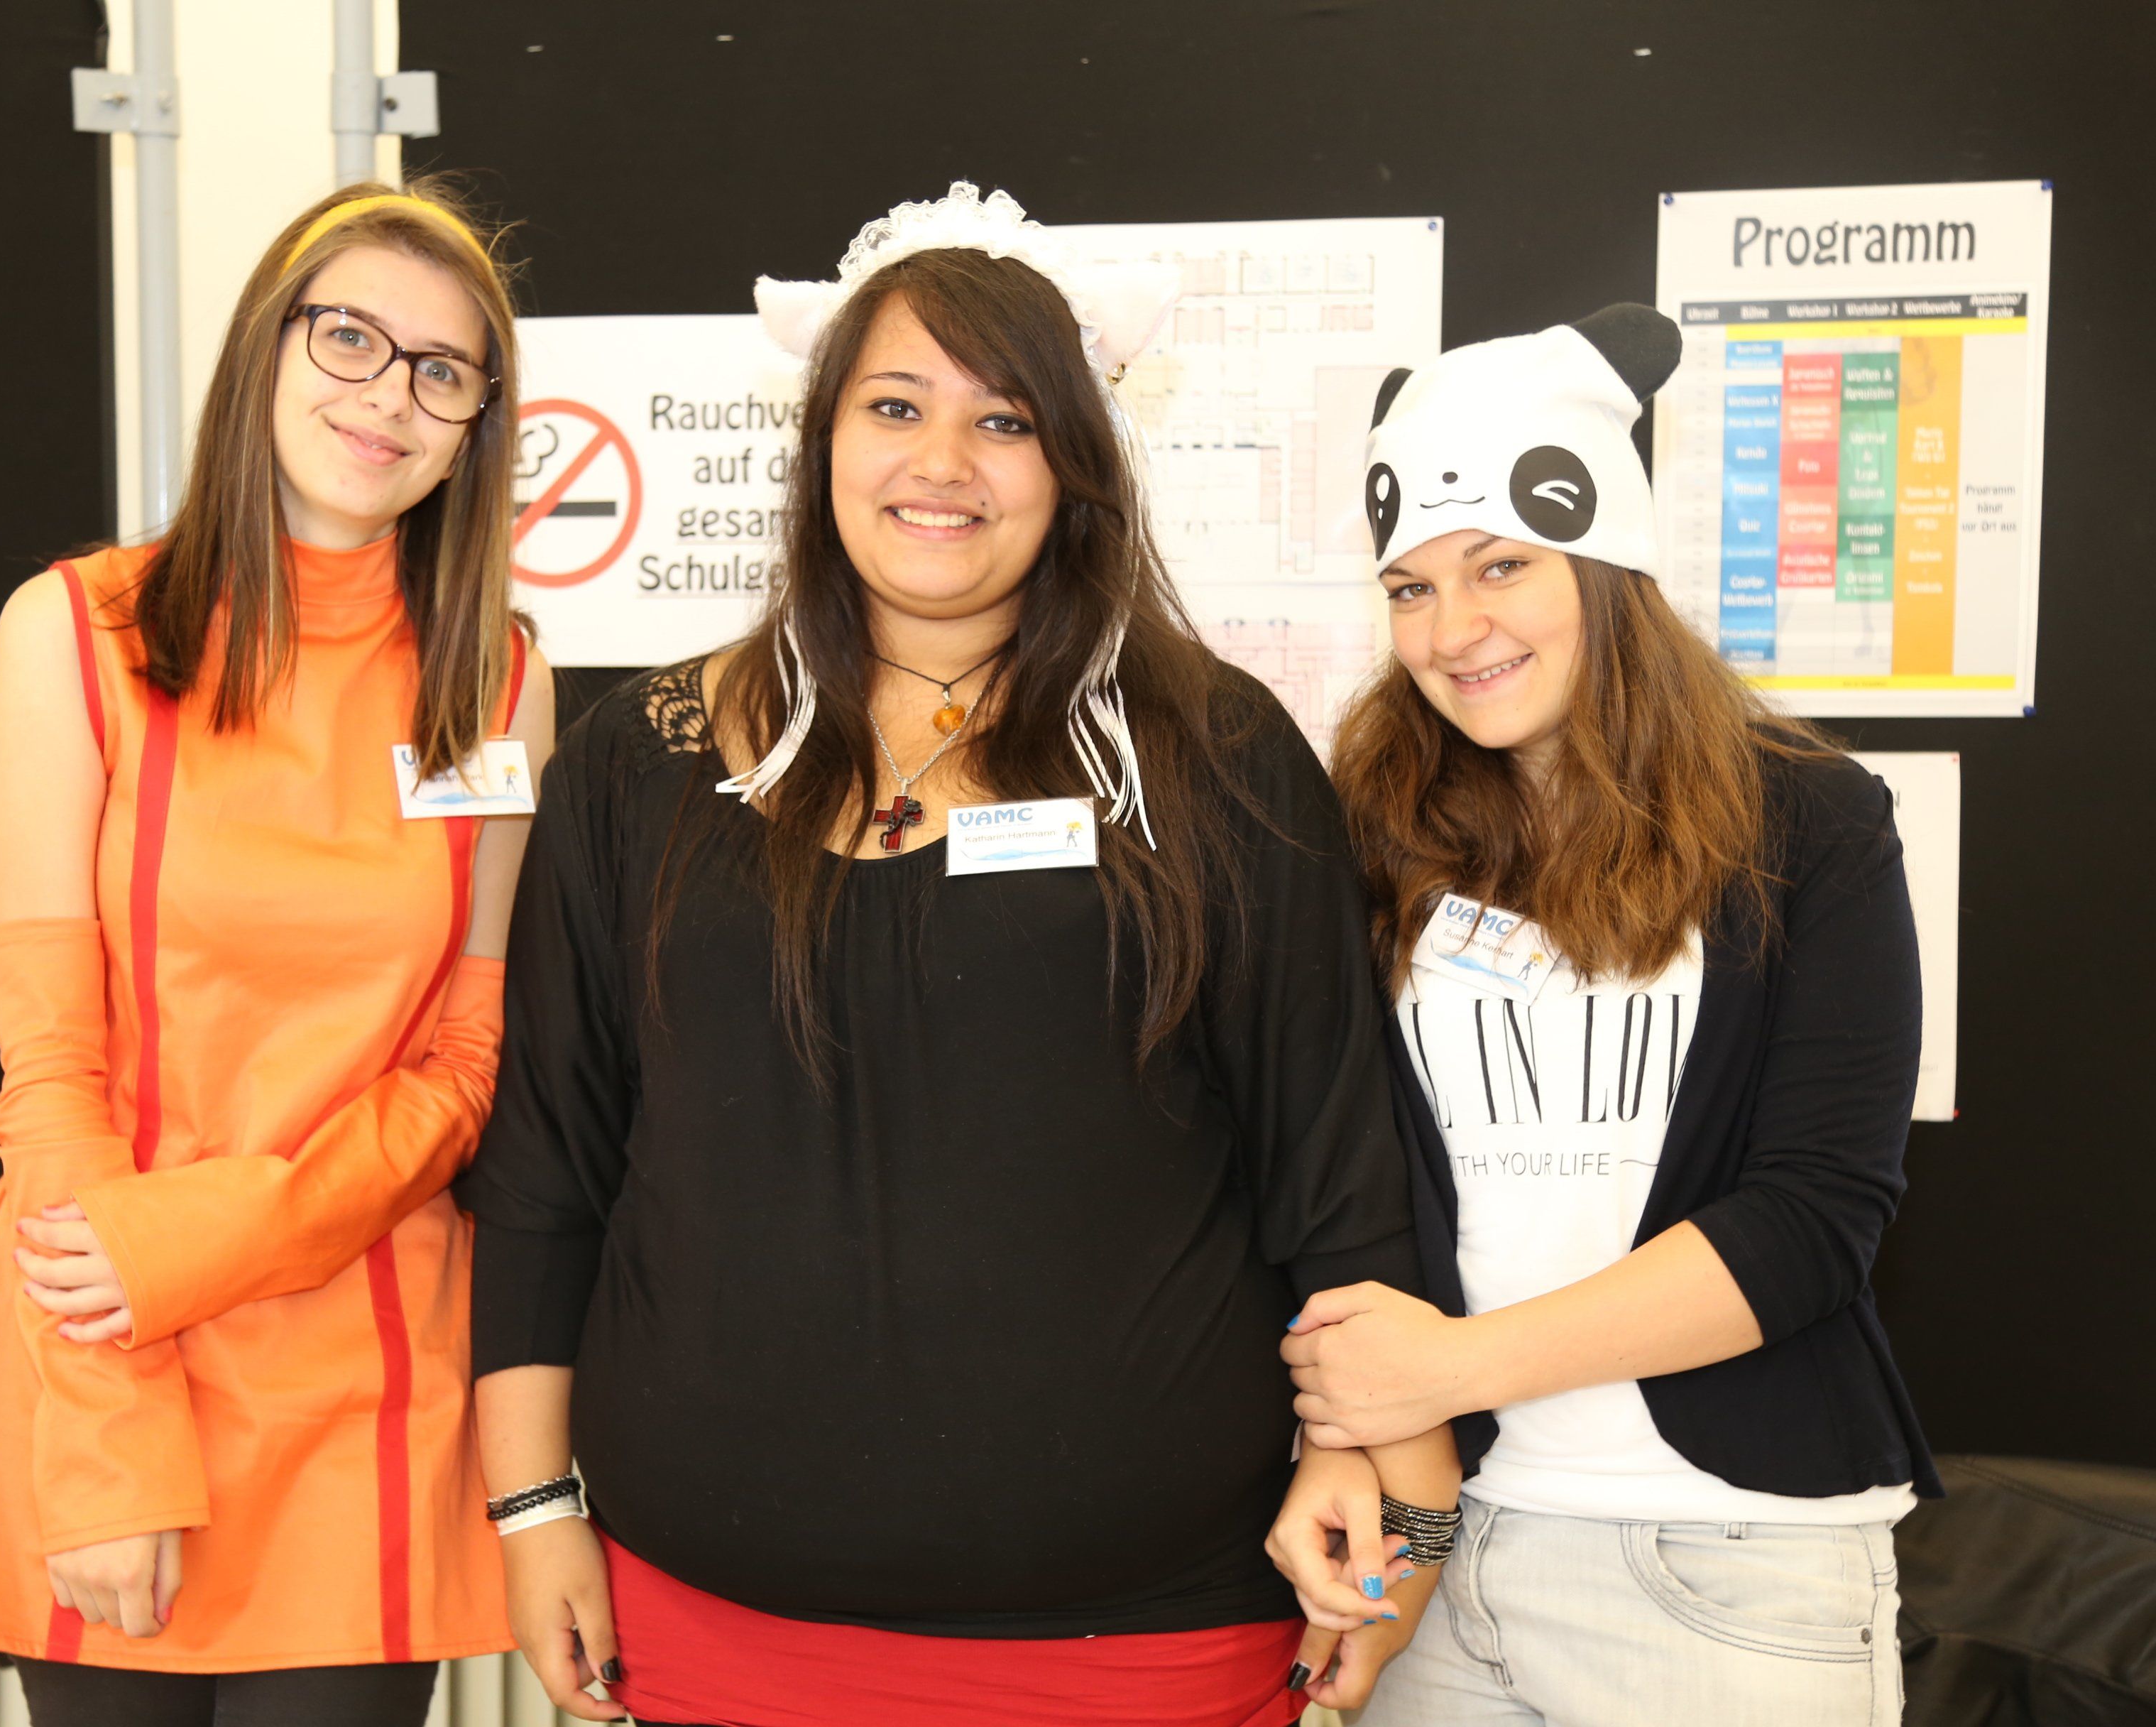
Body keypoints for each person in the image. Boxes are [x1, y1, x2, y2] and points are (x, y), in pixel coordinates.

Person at [461, 182, 1456, 1727]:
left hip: (1146, 1640)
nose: (942, 462)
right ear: (822, 440)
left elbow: (1330, 1165)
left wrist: (1378, 1472)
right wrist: (533, 1513)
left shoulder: (1214, 754)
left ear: (1078, 465)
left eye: (1005, 421)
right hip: (719, 1624)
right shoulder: (636, 761)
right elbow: (547, 1171)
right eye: (896, 406)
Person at [0, 178, 552, 1725]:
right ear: (265, 347)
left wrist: (225, 1232)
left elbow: (469, 1056)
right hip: (102, 1344)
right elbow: (50, 1066)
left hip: (366, 1378)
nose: (390, 395)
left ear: (474, 429)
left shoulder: (497, 678)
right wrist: (109, 1445)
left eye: (443, 371)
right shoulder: (78, 631)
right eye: (351, 338)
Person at [1283, 305, 1935, 1726]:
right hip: (1448, 1550)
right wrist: (1372, 1468)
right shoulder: (1370, 838)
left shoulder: (1811, 824)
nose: (1452, 631)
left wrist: (1449, 1366)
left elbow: (1813, 1220)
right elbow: (1335, 1184)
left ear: (1608, 562)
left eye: (1500, 566)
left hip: (1730, 1566)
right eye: (1409, 587)